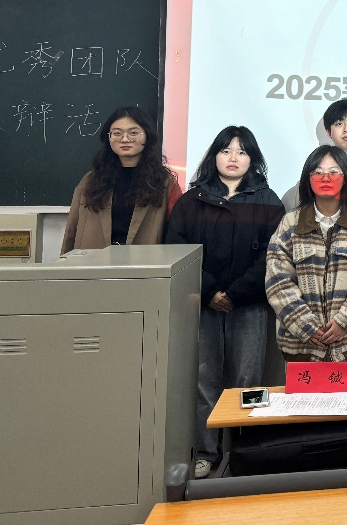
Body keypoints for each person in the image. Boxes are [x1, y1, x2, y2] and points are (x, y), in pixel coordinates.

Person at [165, 126, 284, 479]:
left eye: (242, 151)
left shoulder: (268, 201)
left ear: (253, 159)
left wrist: (235, 294)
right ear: (214, 155)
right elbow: (178, 250)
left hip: (249, 306)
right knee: (206, 380)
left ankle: (244, 451)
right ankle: (207, 452)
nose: (233, 158)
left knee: (249, 383)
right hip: (203, 305)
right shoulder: (193, 200)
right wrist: (211, 292)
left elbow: (272, 257)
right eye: (226, 150)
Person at [265, 146, 347, 364]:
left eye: (334, 172)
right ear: (308, 179)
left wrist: (344, 320)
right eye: (318, 172)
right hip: (300, 346)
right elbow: (277, 281)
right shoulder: (290, 224)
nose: (326, 178)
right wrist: (305, 325)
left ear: (346, 178)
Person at [61, 105, 182, 253]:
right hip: (95, 263)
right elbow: (72, 228)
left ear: (147, 136)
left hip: (143, 263)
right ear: (109, 138)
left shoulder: (163, 182)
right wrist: (65, 263)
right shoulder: (90, 181)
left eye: (133, 133)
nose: (125, 139)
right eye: (117, 133)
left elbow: (176, 232)